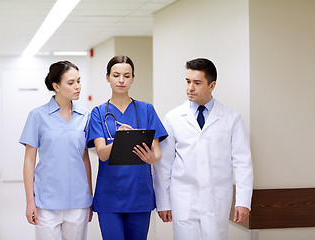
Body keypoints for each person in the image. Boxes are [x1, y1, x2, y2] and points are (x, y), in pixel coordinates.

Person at [153, 58, 253, 240]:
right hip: (183, 199)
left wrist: (243, 202)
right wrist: (163, 202)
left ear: (212, 85)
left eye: (197, 83)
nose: (190, 87)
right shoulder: (173, 118)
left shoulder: (232, 118)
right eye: (188, 81)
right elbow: (163, 164)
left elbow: (243, 164)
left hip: (216, 200)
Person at [87, 55, 168, 240]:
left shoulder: (146, 110)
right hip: (109, 194)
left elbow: (157, 154)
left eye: (126, 75)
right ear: (108, 77)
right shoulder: (99, 113)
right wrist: (121, 140)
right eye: (116, 75)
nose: (121, 80)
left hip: (139, 193)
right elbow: (102, 154)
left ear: (133, 78)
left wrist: (151, 158)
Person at [20, 61, 93, 240]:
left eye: (79, 81)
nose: (78, 87)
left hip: (78, 201)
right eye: (71, 83)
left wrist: (89, 197)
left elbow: (85, 159)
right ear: (56, 86)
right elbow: (29, 161)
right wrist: (30, 202)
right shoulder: (37, 116)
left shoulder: (85, 116)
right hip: (46, 201)